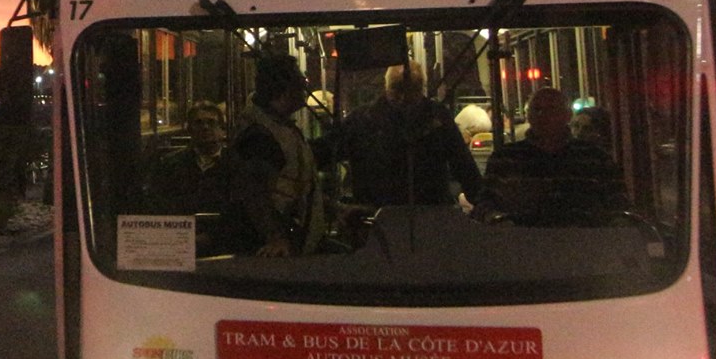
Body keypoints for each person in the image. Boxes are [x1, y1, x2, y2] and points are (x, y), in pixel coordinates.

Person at [338, 62, 483, 209]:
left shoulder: (362, 120)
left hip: (378, 213)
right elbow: (464, 167)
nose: (403, 98)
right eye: (398, 89)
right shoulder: (437, 119)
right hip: (429, 212)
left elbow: (464, 167)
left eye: (410, 90)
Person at [477, 88, 626, 226]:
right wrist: (499, 220)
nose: (543, 116)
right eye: (537, 110)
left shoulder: (595, 158)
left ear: (567, 116)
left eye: (551, 109)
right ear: (528, 116)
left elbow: (618, 201)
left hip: (585, 244)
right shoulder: (505, 158)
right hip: (522, 244)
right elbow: (485, 204)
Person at [228, 54, 322, 256]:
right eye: (301, 82)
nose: (305, 89)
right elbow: (254, 192)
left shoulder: (279, 125)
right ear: (285, 88)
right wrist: (276, 238)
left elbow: (295, 184)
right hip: (270, 252)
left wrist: (335, 208)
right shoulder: (259, 135)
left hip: (294, 240)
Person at [143, 102, 238, 250]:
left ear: (222, 130)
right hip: (177, 242)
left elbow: (241, 210)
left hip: (226, 242)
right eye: (198, 123)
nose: (205, 128)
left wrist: (212, 236)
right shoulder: (169, 164)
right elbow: (157, 204)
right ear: (189, 130)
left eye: (211, 123)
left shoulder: (236, 165)